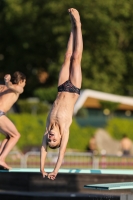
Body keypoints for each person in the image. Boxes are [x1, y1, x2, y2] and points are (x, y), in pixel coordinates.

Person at [40, 8, 83, 180]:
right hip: (73, 89)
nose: (50, 138)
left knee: (67, 56)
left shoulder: (47, 127)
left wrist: (41, 168)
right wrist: (54, 170)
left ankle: (71, 27)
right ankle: (78, 25)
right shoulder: (64, 130)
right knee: (76, 57)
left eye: (49, 140)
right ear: (59, 140)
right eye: (53, 141)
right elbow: (62, 153)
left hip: (61, 87)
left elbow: (43, 150)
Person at [0, 71, 26, 169]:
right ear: (21, 81)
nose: (25, 85)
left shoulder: (2, 87)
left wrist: (5, 83)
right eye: (25, 82)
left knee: (9, 135)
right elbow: (11, 86)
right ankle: (1, 159)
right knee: (16, 135)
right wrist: (7, 81)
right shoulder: (19, 88)